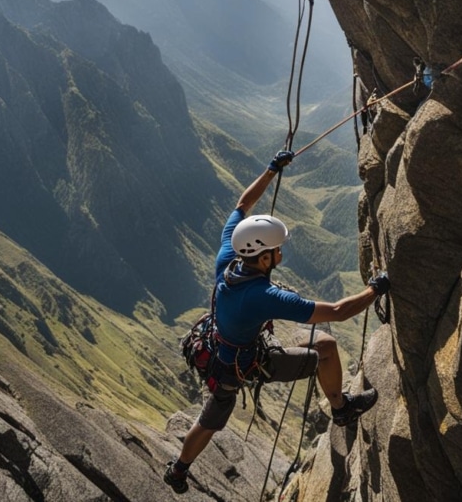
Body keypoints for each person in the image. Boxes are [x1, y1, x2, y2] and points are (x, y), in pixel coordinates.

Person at [164, 150, 391, 494]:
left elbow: (242, 205)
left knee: (210, 420)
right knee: (326, 349)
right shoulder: (264, 297)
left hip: (219, 350)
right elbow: (338, 312)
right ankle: (341, 409)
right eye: (277, 250)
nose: (282, 254)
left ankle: (178, 470)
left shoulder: (229, 257)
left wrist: (271, 170)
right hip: (244, 364)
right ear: (264, 256)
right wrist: (375, 289)